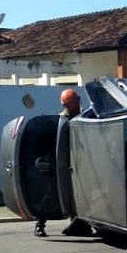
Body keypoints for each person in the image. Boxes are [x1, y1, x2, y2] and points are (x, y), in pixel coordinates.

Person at [35, 88, 94, 237]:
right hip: (60, 165)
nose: (77, 103)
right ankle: (39, 224)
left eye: (77, 100)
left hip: (80, 165)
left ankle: (79, 224)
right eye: (73, 102)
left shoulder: (84, 117)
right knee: (52, 194)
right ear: (66, 105)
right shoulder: (60, 122)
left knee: (81, 195)